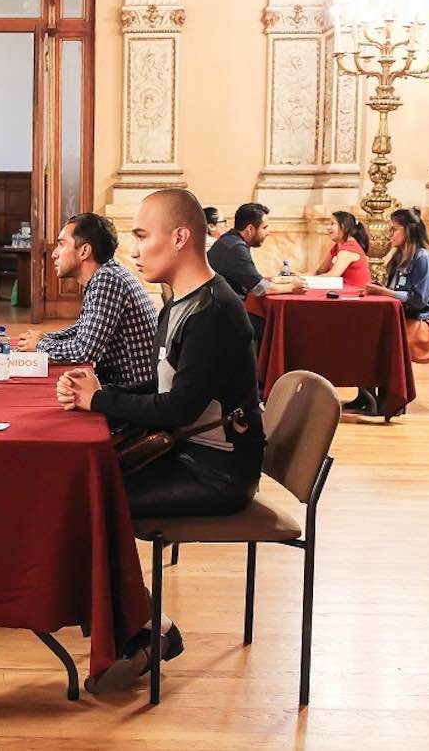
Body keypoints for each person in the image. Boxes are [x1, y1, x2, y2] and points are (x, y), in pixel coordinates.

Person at [56, 188, 265, 694]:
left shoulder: (214, 311)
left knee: (95, 503)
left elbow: (178, 409)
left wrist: (100, 401)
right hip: (188, 451)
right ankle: (133, 624)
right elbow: (163, 384)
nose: (134, 250)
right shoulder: (182, 302)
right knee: (83, 489)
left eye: (142, 236)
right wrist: (101, 394)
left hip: (217, 471)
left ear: (179, 238)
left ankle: (150, 631)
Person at [16, 213, 157, 388]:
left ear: (84, 251)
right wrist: (47, 338)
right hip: (121, 386)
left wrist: (40, 345)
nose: (54, 254)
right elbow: (85, 328)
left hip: (132, 393)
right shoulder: (109, 274)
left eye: (62, 244)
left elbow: (85, 351)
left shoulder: (107, 280)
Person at [366, 207, 429, 363]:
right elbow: (397, 290)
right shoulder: (399, 256)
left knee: (380, 342)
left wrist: (384, 292)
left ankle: (394, 380)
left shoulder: (423, 258)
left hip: (428, 322)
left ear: (409, 231)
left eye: (393, 229)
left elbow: (418, 301)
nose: (389, 235)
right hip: (409, 317)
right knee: (368, 332)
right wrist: (380, 289)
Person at [207, 202, 307, 346]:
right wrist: (292, 287)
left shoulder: (230, 239)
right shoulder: (236, 248)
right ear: (250, 229)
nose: (268, 232)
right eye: (264, 227)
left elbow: (252, 279)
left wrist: (281, 281)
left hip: (219, 309)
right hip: (221, 317)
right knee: (273, 328)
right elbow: (260, 288)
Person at [310, 210, 370, 289]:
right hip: (342, 292)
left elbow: (332, 276)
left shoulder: (349, 249)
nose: (328, 227)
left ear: (344, 226)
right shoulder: (337, 247)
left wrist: (305, 281)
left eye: (332, 224)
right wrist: (297, 278)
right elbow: (319, 271)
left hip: (355, 294)